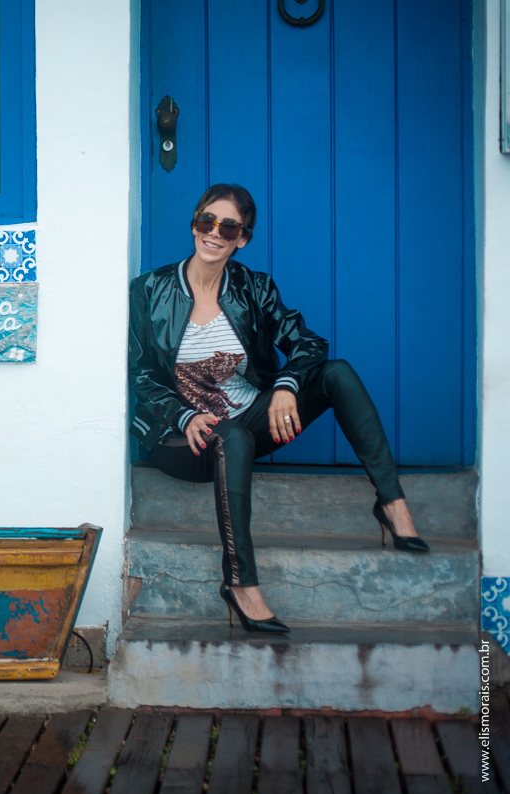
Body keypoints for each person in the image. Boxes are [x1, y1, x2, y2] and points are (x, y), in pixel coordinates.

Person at [127, 183, 428, 635]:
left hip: (248, 423)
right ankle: (239, 582)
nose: (213, 233)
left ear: (242, 238)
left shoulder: (254, 288)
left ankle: (392, 503)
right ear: (193, 224)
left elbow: (308, 344)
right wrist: (182, 416)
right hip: (180, 438)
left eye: (227, 227)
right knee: (229, 433)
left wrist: (287, 384)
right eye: (205, 221)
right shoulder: (149, 289)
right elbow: (140, 373)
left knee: (336, 373)